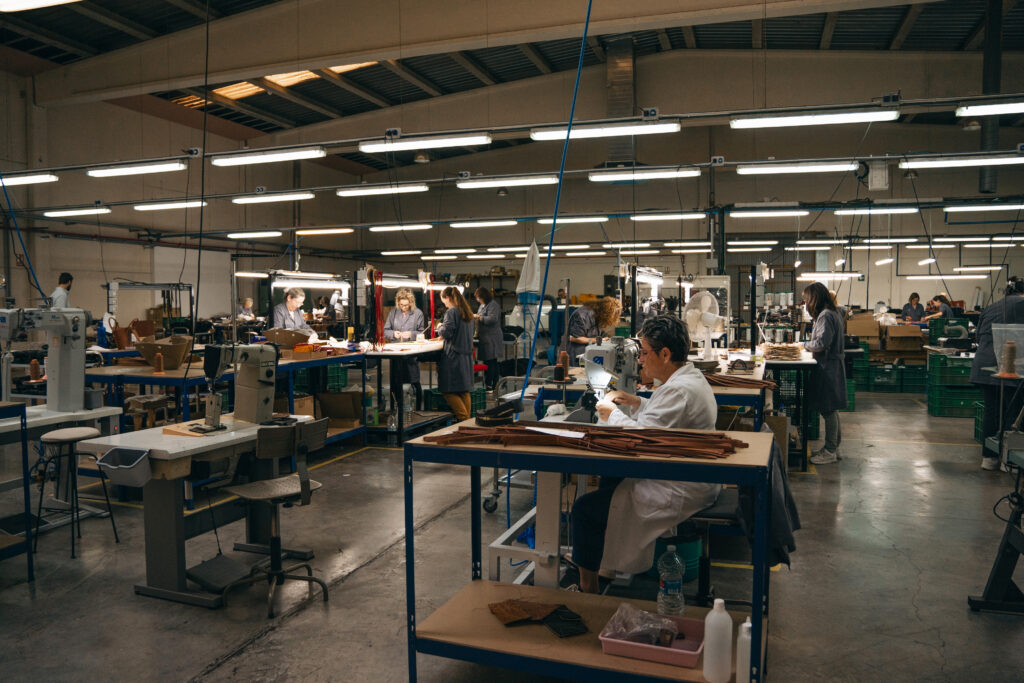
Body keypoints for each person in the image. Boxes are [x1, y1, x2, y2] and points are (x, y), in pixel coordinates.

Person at [570, 315, 720, 593]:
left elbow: (641, 440)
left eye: (645, 353)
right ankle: (605, 565)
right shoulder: (685, 379)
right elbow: (665, 419)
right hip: (681, 470)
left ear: (665, 354)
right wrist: (637, 401)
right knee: (610, 481)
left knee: (583, 510)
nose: (640, 360)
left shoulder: (679, 392)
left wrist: (612, 413)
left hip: (679, 485)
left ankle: (586, 589)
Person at [971, 277, 1024, 471]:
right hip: (1008, 366)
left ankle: (989, 458)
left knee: (992, 412)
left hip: (984, 364)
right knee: (1013, 412)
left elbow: (977, 336)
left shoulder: (992, 306)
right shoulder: (1022, 303)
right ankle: (1009, 461)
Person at [803, 282, 847, 465]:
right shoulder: (834, 312)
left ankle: (830, 451)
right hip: (832, 365)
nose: (804, 304)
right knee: (831, 409)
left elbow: (821, 343)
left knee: (828, 409)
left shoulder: (825, 315)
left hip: (828, 366)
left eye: (806, 299)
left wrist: (803, 345)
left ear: (814, 299)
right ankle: (833, 447)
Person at [437, 286, 475, 421]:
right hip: (466, 356)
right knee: (463, 390)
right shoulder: (467, 311)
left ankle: (464, 420)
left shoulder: (451, 312)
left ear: (448, 298)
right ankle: (468, 422)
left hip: (453, 357)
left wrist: (440, 327)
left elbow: (447, 332)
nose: (445, 304)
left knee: (447, 390)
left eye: (444, 301)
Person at [384, 288, 425, 410]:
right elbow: (386, 330)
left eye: (406, 305)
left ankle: (417, 408)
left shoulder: (418, 313)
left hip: (411, 352)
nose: (404, 307)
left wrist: (411, 334)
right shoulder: (393, 313)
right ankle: (395, 408)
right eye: (401, 305)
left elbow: (422, 332)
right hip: (396, 352)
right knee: (396, 381)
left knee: (414, 380)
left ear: (411, 303)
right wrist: (393, 334)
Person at [563, 297, 622, 363]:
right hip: (577, 353)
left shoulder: (599, 315)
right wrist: (597, 340)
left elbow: (600, 333)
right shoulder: (582, 315)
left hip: (589, 352)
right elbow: (575, 338)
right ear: (606, 311)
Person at [474, 287, 503, 390]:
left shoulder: (493, 305)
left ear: (483, 297)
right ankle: (491, 383)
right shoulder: (482, 306)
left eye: (478, 298)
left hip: (492, 338)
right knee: (488, 361)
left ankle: (491, 384)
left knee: (491, 361)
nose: (478, 300)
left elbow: (493, 319)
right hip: (485, 337)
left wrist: (480, 318)